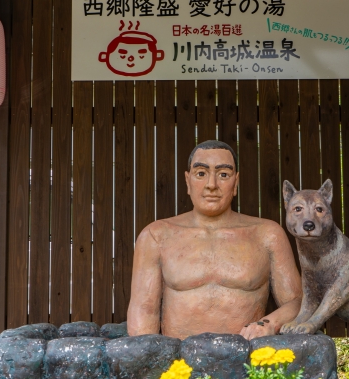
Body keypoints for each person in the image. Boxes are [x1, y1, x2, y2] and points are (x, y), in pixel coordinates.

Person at [127, 140, 302, 340]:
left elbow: (298, 303)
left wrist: (268, 325)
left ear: (235, 183)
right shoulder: (156, 236)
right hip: (179, 363)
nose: (212, 185)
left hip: (247, 359)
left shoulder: (267, 235)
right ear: (188, 181)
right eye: (201, 173)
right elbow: (143, 313)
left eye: (223, 175)